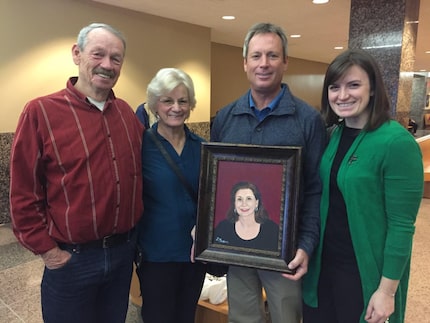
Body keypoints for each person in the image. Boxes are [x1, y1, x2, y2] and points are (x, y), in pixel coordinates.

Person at [9, 23, 144, 323]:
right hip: (72, 262)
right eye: (98, 54)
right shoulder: (40, 112)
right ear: (77, 53)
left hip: (123, 256)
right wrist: (48, 252)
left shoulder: (127, 115)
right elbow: (22, 194)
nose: (107, 65)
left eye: (116, 58)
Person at [211, 22, 327, 323]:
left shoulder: (307, 120)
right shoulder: (225, 118)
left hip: (285, 252)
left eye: (273, 56)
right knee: (243, 319)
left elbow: (315, 188)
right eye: (257, 56)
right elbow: (217, 184)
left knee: (287, 318)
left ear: (285, 62)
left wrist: (306, 244)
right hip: (238, 250)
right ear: (245, 63)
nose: (264, 64)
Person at [302, 49, 424, 323]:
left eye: (353, 85)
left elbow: (402, 226)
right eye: (335, 87)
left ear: (372, 89)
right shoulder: (332, 135)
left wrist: (387, 291)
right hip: (323, 268)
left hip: (363, 272)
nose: (342, 95)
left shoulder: (396, 143)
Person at [135, 67, 206, 323]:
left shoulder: (203, 149)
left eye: (183, 101)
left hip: (194, 254)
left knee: (186, 315)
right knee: (158, 316)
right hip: (157, 255)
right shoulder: (141, 146)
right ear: (155, 104)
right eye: (168, 100)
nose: (176, 107)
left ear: (190, 105)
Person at [214, 181, 279, 251]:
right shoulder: (223, 227)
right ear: (234, 203)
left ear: (256, 203)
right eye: (239, 199)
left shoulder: (272, 230)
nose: (244, 204)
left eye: (249, 199)